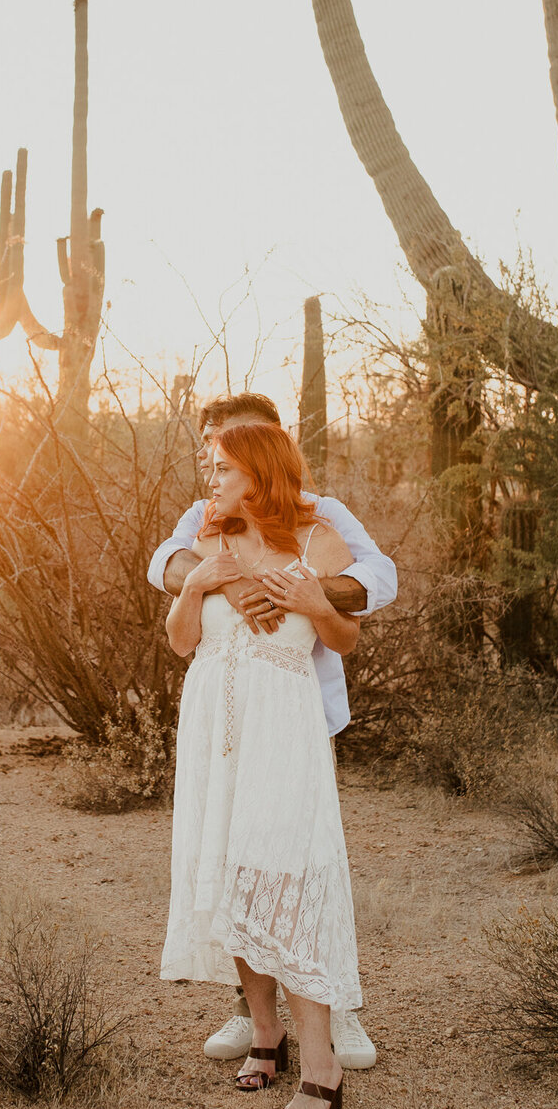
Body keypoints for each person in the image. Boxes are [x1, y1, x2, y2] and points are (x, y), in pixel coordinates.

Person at [149, 392, 397, 1070]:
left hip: (294, 719)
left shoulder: (323, 522)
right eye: (209, 455)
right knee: (233, 867)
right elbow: (165, 572)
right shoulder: (206, 525)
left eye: (224, 457)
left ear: (263, 455)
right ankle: (260, 1023)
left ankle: (332, 1013)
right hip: (217, 723)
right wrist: (209, 583)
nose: (210, 475)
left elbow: (378, 581)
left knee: (296, 867)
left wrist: (311, 593)